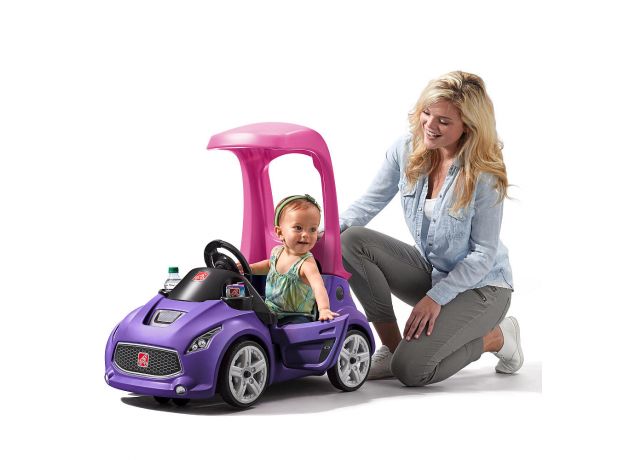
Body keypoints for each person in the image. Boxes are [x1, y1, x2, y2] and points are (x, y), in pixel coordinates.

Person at [340, 71, 523, 385]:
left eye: (444, 121)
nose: (429, 125)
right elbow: (369, 203)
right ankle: (393, 348)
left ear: (468, 126)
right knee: (350, 240)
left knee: (412, 371)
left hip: (483, 288)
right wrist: (323, 235)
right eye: (427, 113)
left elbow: (483, 255)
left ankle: (497, 337)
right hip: (433, 270)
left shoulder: (484, 174)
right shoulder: (406, 149)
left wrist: (435, 298)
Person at [249, 194, 340, 325]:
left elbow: (318, 286)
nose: (306, 234)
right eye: (298, 228)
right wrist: (250, 268)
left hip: (296, 317)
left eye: (313, 229)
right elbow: (269, 265)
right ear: (280, 232)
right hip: (270, 309)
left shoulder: (306, 263)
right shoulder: (277, 251)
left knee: (290, 332)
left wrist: (324, 309)